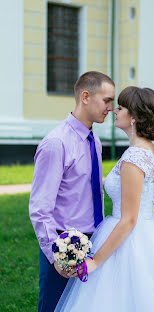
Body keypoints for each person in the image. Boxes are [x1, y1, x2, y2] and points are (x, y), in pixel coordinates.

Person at [55, 86, 154, 312]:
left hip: (129, 239)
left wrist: (95, 261)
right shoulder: (150, 151)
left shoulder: (135, 156)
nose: (114, 110)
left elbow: (128, 219)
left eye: (120, 107)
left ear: (134, 117)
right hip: (147, 233)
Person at [29, 71, 115, 312]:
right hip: (63, 245)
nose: (111, 107)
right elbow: (39, 209)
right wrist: (56, 256)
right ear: (85, 96)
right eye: (107, 100)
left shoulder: (94, 141)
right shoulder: (57, 143)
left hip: (94, 242)